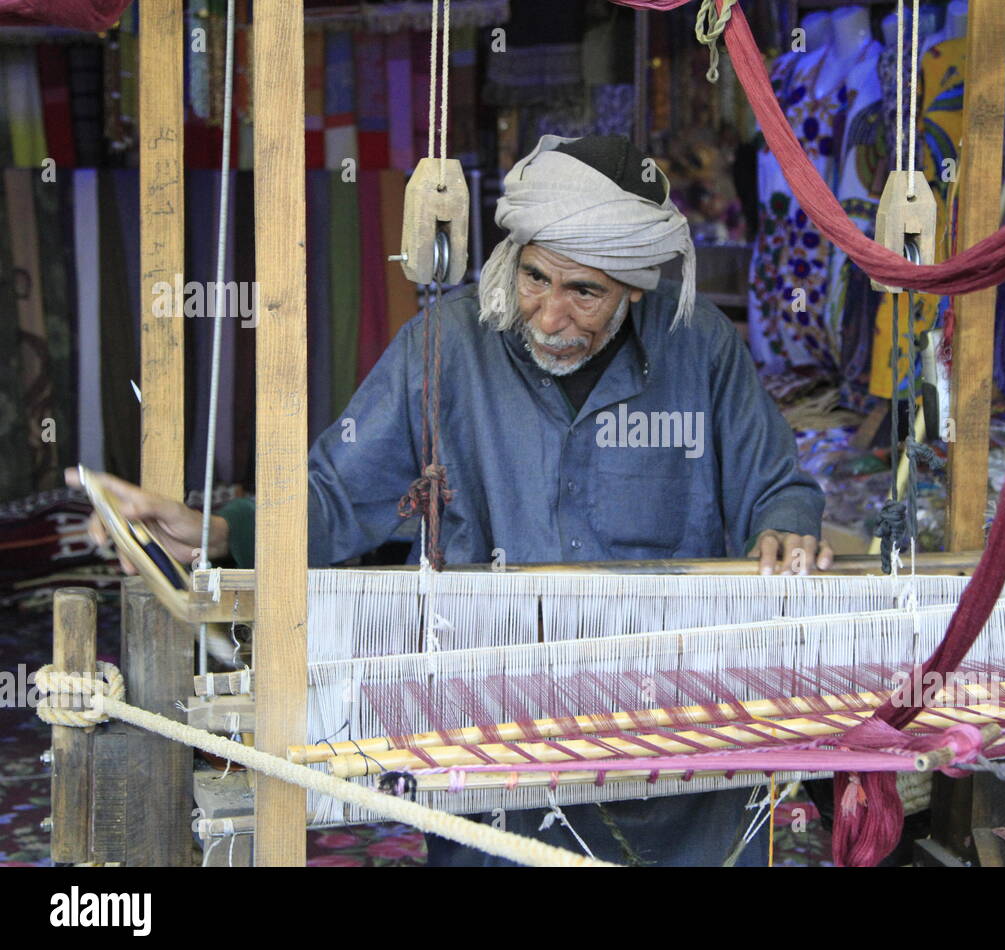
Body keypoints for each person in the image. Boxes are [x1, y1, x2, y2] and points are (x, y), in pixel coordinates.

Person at [70, 133, 833, 866]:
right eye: (535, 277)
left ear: (633, 289)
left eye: (585, 293)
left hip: (669, 742)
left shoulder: (699, 347)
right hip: (491, 738)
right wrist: (218, 530)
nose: (549, 314)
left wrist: (787, 527)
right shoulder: (443, 348)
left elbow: (778, 487)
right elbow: (336, 496)